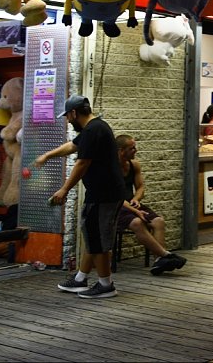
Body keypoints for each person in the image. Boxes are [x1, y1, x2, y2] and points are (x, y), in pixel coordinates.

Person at [35, 95, 126, 299]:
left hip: (104, 194)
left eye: (67, 116)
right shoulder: (93, 128)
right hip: (104, 193)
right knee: (92, 234)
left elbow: (82, 163)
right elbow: (73, 146)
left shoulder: (94, 130)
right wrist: (48, 155)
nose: (67, 120)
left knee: (98, 238)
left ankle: (106, 285)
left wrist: (63, 190)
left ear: (74, 113)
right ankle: (80, 279)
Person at [113, 135, 186, 275]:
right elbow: (113, 196)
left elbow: (140, 187)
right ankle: (165, 256)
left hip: (131, 204)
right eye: (132, 148)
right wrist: (134, 210)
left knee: (158, 221)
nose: (136, 150)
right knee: (136, 222)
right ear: (121, 151)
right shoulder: (110, 168)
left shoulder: (134, 165)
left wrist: (136, 198)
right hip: (115, 206)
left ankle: (159, 260)